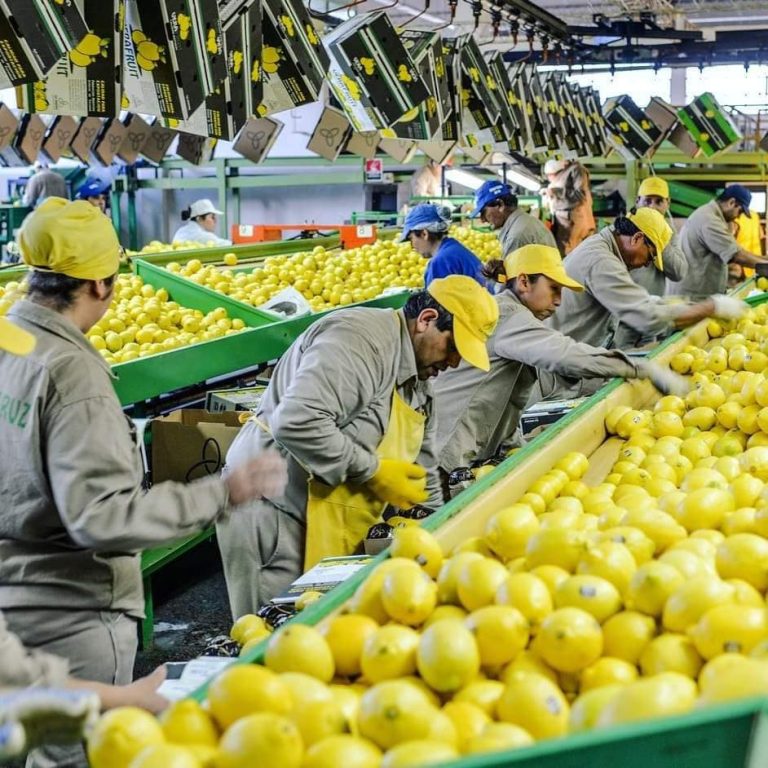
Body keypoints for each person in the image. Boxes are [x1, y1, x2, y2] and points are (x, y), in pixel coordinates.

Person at [0, 197, 288, 768]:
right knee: (81, 753)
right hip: (74, 613)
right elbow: (101, 518)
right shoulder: (73, 372)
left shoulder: (12, 340)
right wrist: (222, 492)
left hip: (15, 601)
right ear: (103, 285)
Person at [218, 275, 500, 618]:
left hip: (326, 508)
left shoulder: (419, 381)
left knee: (322, 629)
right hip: (274, 508)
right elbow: (296, 420)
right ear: (426, 320)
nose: (454, 363)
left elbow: (422, 474)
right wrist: (373, 470)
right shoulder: (359, 342)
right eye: (453, 347)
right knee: (275, 635)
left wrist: (438, 534)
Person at [431, 244, 686, 479]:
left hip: (468, 447)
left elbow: (510, 394)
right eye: (554, 288)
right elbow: (565, 356)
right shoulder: (506, 316)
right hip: (447, 453)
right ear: (523, 282)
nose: (559, 301)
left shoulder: (514, 316)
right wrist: (639, 368)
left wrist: (514, 447)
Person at [548, 208, 746, 359]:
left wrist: (657, 303)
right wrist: (712, 307)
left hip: (573, 353)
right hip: (559, 366)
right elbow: (647, 318)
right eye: (650, 256)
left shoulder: (606, 247)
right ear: (637, 238)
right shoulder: (601, 260)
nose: (647, 264)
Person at [612, 176, 689, 348]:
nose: (653, 206)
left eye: (658, 201)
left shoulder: (669, 234)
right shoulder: (622, 232)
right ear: (638, 201)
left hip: (651, 317)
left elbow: (679, 272)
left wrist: (658, 235)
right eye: (647, 201)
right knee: (619, 364)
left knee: (645, 367)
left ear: (667, 203)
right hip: (623, 318)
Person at [667, 185, 768, 300]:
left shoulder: (713, 215)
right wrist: (765, 267)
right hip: (691, 296)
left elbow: (738, 250)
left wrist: (764, 259)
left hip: (698, 293)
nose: (738, 217)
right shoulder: (709, 220)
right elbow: (736, 256)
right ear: (731, 202)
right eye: (739, 211)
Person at [401, 203, 484, 287]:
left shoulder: (441, 262)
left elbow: (436, 298)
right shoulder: (453, 248)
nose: (412, 246)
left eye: (411, 239)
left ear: (424, 234)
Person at [470, 180, 556, 258]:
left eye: (483, 213)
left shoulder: (516, 237)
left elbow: (513, 274)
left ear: (500, 205)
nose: (483, 220)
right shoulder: (529, 221)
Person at [542, 158, 596, 256]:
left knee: (568, 256)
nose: (549, 179)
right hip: (570, 223)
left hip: (572, 222)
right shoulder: (567, 173)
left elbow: (580, 197)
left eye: (549, 176)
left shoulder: (576, 170)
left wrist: (555, 192)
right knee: (577, 256)